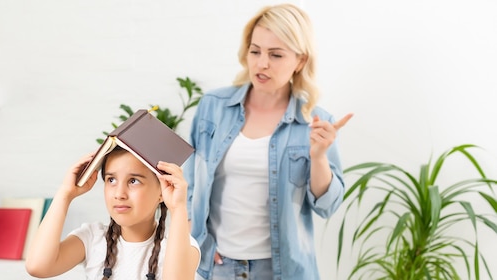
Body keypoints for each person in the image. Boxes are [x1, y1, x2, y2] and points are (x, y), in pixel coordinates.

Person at [185, 3, 353, 280]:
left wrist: (320, 156)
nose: (262, 63)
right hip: (217, 266)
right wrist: (196, 241)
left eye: (276, 55)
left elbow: (327, 206)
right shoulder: (212, 107)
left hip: (282, 271)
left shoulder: (315, 122)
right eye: (255, 51)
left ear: (300, 61)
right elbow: (190, 181)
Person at [26, 147, 201, 279]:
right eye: (111, 180)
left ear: (162, 191)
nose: (119, 194)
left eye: (133, 181)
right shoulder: (93, 238)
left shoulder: (182, 246)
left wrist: (178, 208)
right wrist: (65, 194)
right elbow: (38, 267)